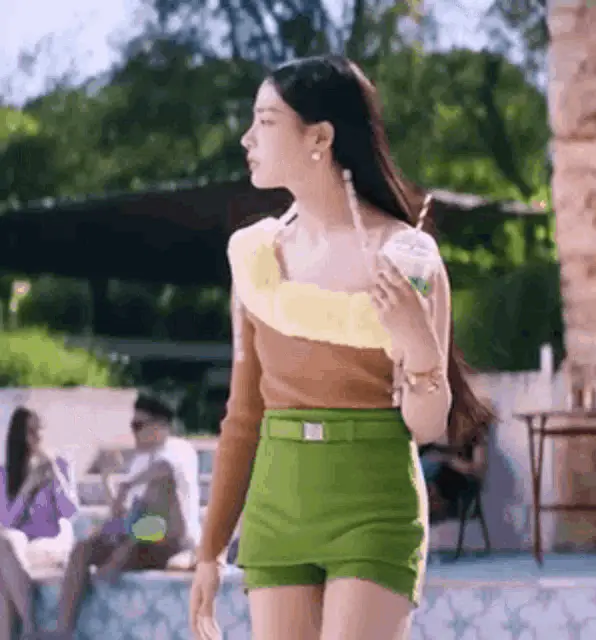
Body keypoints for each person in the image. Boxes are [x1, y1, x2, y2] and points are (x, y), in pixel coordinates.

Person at [189, 55, 495, 640]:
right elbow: (244, 415)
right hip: (277, 505)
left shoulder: (406, 259)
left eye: (266, 121)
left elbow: (427, 425)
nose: (247, 138)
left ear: (320, 138)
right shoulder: (255, 258)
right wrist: (210, 551)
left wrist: (418, 345)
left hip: (374, 505)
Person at [40, 393, 201, 640]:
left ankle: (122, 555)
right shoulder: (140, 460)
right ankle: (63, 629)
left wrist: (127, 486)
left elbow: (166, 470)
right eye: (132, 425)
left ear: (160, 426)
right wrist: (108, 479)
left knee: (156, 492)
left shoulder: (178, 449)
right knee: (83, 548)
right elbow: (121, 512)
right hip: (142, 537)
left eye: (138, 425)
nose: (133, 432)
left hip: (172, 540)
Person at [0, 407, 78, 640]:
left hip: (50, 542)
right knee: (5, 543)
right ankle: (29, 629)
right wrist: (27, 488)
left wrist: (55, 474)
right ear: (19, 436)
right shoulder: (5, 474)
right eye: (31, 431)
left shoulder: (60, 465)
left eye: (40, 430)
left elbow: (70, 511)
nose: (38, 437)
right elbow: (7, 521)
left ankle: (28, 627)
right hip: (18, 547)